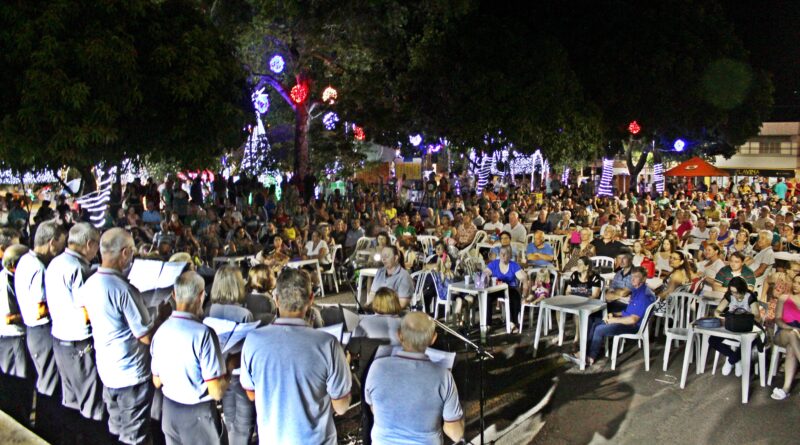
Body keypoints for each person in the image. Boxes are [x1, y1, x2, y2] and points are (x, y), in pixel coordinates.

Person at [240, 268, 352, 444]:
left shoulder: (253, 340)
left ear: (276, 300)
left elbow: (251, 393)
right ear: (311, 299)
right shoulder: (327, 344)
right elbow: (342, 406)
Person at [80, 228, 158, 445]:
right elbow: (145, 336)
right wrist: (160, 317)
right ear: (124, 253)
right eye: (131, 251)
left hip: (107, 370)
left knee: (116, 431)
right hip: (131, 375)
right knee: (135, 437)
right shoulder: (123, 289)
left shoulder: (90, 283)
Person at [151, 271, 228, 445]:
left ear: (173, 295)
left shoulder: (161, 331)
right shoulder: (204, 334)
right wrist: (229, 368)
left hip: (170, 411)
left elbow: (157, 381)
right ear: (201, 296)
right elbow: (216, 391)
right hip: (197, 416)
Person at [365, 312, 464, 444]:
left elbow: (374, 408)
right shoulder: (443, 376)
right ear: (433, 339)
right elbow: (455, 433)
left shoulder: (377, 367)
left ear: (400, 335)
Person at [45, 223, 106, 428]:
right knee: (90, 401)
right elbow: (86, 310)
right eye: (97, 245)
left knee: (70, 399)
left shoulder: (56, 262)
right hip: (79, 342)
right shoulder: (79, 269)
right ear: (89, 244)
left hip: (59, 339)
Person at [14, 220, 66, 442]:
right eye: (60, 246)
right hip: (41, 331)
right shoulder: (37, 268)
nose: (61, 251)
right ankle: (47, 432)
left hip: (35, 332)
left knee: (46, 381)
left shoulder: (26, 260)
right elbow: (40, 309)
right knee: (48, 383)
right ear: (51, 242)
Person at [572, 267, 655, 367]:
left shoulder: (643, 295)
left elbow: (633, 319)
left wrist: (613, 320)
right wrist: (614, 314)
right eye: (632, 277)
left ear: (644, 278)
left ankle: (590, 357)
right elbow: (628, 311)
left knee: (599, 329)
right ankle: (584, 352)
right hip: (628, 320)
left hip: (634, 326)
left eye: (636, 277)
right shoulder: (637, 290)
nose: (632, 279)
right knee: (594, 322)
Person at [0, 244, 33, 425]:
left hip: (16, 339)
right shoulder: (5, 282)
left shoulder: (13, 279)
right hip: (12, 340)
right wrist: (32, 313)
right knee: (17, 385)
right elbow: (9, 318)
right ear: (14, 265)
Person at [709, 277, 761, 377]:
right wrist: (722, 316)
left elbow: (757, 316)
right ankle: (735, 359)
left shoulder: (750, 296)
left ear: (743, 290)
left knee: (748, 342)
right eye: (732, 292)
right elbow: (717, 310)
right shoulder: (730, 295)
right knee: (712, 340)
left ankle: (731, 361)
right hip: (733, 327)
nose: (735, 295)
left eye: (737, 292)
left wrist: (744, 316)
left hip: (747, 327)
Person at [483, 245, 529, 333]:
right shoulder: (494, 264)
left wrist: (524, 295)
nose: (503, 255)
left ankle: (513, 323)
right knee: (487, 297)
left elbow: (524, 278)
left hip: (510, 288)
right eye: (501, 253)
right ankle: (487, 323)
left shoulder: (513, 265)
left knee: (514, 297)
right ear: (499, 254)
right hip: (496, 289)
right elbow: (486, 272)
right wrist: (486, 276)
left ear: (510, 255)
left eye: (506, 253)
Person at [770, 274, 800, 400]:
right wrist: (790, 328)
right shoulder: (784, 298)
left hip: (798, 337)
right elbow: (777, 319)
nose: (796, 285)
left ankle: (785, 388)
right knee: (792, 334)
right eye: (795, 282)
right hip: (784, 331)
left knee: (791, 349)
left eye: (799, 283)